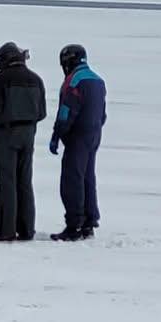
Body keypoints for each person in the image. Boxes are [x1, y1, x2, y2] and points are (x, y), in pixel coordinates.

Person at [0, 42, 46, 241]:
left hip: (6, 134)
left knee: (6, 181)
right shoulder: (36, 80)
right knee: (24, 181)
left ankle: (5, 229)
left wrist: (1, 122)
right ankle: (26, 229)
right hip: (29, 134)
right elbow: (42, 112)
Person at [49, 43, 106, 241]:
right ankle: (89, 221)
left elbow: (66, 112)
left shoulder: (74, 82)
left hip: (77, 136)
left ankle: (74, 224)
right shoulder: (98, 81)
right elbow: (103, 113)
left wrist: (57, 135)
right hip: (94, 135)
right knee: (88, 178)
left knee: (72, 180)